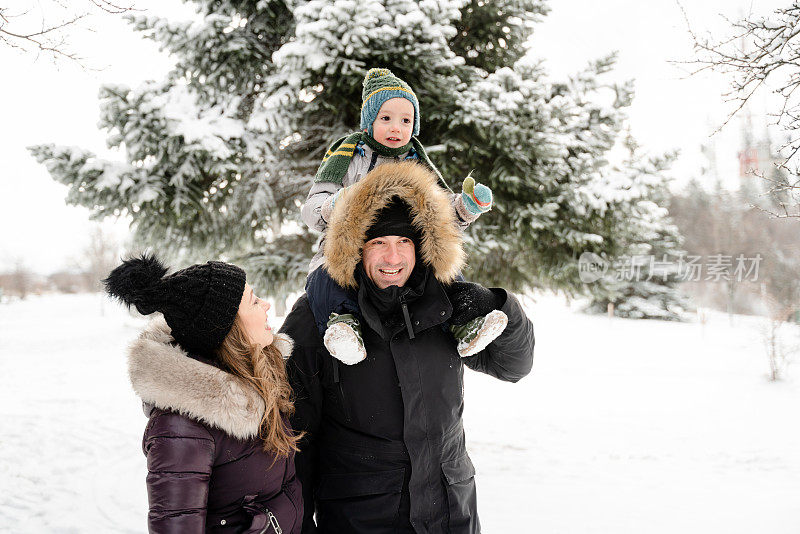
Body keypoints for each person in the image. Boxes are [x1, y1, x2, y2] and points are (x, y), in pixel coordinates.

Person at [281, 161, 535, 533]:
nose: (393, 258)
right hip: (361, 517)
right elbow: (291, 435)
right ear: (355, 248)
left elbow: (515, 366)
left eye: (404, 242)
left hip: (451, 513)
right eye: (378, 243)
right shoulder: (318, 316)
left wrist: (500, 306)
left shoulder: (446, 305)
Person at [301, 67, 501, 365]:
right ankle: (342, 325)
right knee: (325, 275)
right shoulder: (349, 158)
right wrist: (337, 203)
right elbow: (312, 211)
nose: (396, 127)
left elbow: (441, 210)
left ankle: (463, 321)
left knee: (443, 264)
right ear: (369, 123)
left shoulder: (418, 163)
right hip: (350, 243)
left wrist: (465, 207)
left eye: (405, 120)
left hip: (406, 248)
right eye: (386, 118)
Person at [104, 254, 303, 533]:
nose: (266, 305)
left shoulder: (258, 380)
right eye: (254, 301)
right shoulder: (180, 427)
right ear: (228, 328)